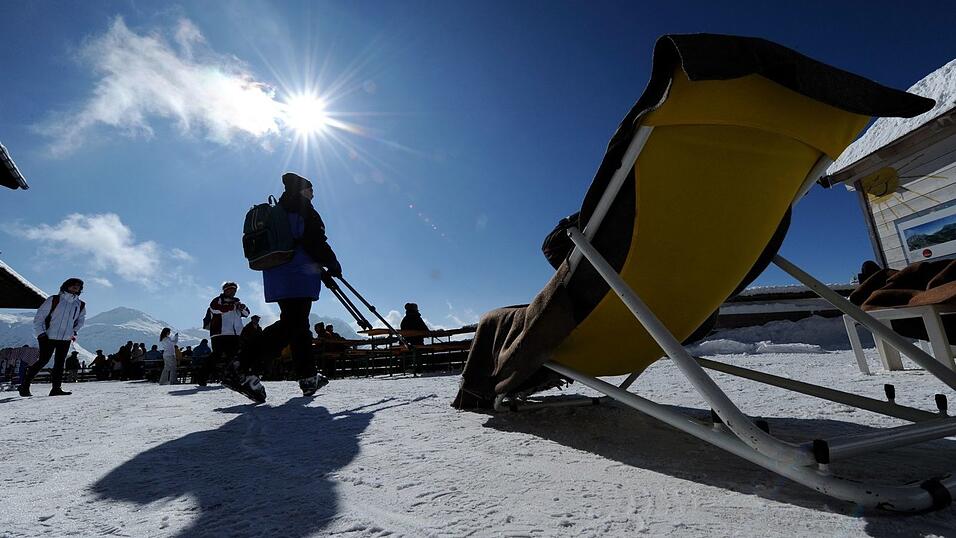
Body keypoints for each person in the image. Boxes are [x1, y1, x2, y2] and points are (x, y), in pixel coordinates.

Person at [253, 172, 340, 401]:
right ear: (303, 190)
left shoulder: (280, 210)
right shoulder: (303, 208)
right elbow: (314, 242)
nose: (313, 194)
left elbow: (297, 243)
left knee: (298, 325)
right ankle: (243, 365)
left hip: (278, 274)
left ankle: (308, 376)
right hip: (297, 276)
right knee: (293, 324)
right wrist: (332, 264)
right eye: (311, 189)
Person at [19, 278, 87, 397]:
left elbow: (80, 321)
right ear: (66, 286)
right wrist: (41, 334)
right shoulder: (54, 300)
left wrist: (73, 331)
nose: (76, 287)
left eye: (79, 286)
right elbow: (39, 317)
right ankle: (25, 386)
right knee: (43, 361)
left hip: (66, 338)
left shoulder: (80, 305)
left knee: (60, 363)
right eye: (73, 285)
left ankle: (56, 388)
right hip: (48, 336)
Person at [208, 282, 250, 377]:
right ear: (225, 290)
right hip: (219, 333)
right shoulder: (218, 300)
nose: (233, 292)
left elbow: (247, 314)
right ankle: (203, 376)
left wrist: (242, 308)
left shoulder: (237, 302)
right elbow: (214, 309)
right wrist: (231, 307)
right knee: (216, 355)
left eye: (234, 290)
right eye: (230, 289)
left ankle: (230, 376)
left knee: (233, 356)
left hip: (235, 334)